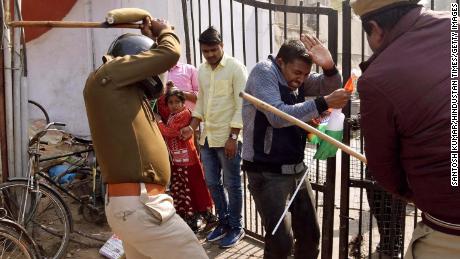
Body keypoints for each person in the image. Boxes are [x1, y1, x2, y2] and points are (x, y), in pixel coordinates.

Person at [83, 16, 208, 259]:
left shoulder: (119, 90)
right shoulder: (108, 74)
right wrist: (165, 31)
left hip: (136, 205)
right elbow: (170, 54)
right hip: (140, 205)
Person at [350, 0, 460, 258]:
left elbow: (384, 170)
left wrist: (415, 193)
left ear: (375, 28)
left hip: (450, 228)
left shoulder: (379, 76)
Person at [242, 36, 350, 259]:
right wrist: (323, 102)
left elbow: (328, 86)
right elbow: (277, 116)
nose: (300, 80)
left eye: (306, 74)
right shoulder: (264, 72)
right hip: (267, 172)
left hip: (296, 168)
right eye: (297, 73)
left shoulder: (298, 78)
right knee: (281, 242)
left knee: (310, 235)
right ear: (281, 62)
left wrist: (329, 67)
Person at [180, 26, 248, 248]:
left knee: (232, 184)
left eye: (213, 50)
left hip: (228, 138)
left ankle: (236, 227)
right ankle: (223, 222)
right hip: (207, 138)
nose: (209, 55)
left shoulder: (236, 68)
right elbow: (201, 103)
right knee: (212, 183)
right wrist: (192, 126)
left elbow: (242, 105)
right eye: (205, 51)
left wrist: (233, 137)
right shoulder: (202, 70)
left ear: (222, 46)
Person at [155, 85, 214, 232]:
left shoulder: (185, 115)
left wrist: (159, 122)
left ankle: (203, 218)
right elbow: (161, 103)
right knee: (182, 188)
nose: (174, 105)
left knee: (192, 188)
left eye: (177, 102)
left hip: (188, 160)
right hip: (178, 160)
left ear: (183, 103)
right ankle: (192, 219)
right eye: (171, 102)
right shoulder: (173, 114)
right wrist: (165, 89)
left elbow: (170, 132)